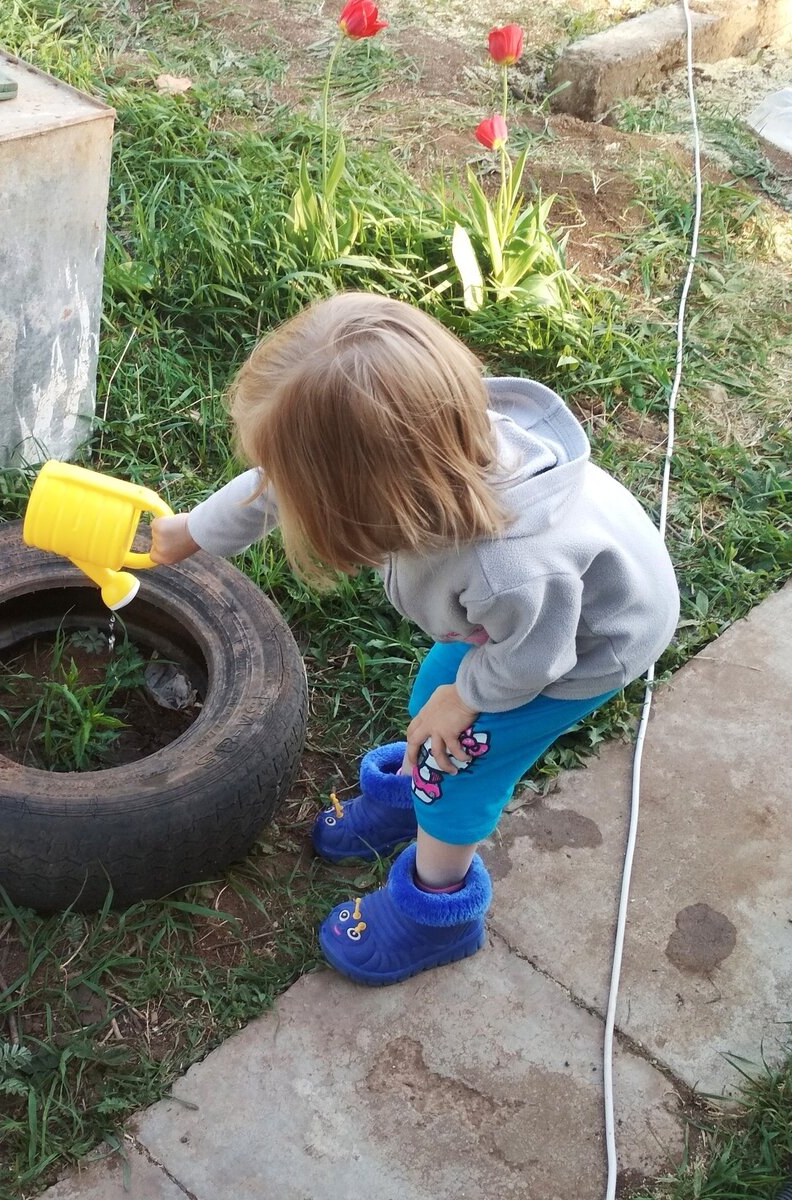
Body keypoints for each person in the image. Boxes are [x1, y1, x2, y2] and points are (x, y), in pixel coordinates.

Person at [149, 292, 679, 987]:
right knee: (438, 697)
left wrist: (470, 696)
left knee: (455, 766)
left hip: (579, 647)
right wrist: (192, 531)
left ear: (365, 495)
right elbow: (279, 483)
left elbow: (535, 657)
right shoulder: (412, 449)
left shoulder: (510, 569)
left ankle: (439, 911)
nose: (290, 499)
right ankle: (410, 796)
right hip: (521, 627)